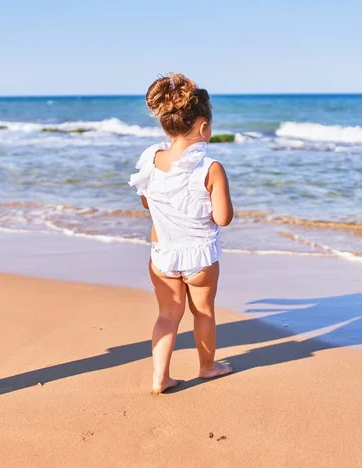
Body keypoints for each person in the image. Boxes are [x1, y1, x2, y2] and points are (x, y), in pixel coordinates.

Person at [128, 73, 234, 393]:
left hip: (162, 253)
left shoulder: (151, 158)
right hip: (199, 255)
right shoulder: (210, 168)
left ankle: (161, 377)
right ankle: (207, 366)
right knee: (203, 312)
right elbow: (223, 218)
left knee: (167, 315)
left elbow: (147, 201)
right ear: (204, 127)